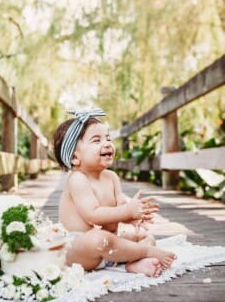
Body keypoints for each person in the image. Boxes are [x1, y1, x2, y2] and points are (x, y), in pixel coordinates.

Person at [53, 109, 176, 277]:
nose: (107, 143)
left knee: (143, 235)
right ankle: (144, 252)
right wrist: (126, 212)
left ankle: (133, 263)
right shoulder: (77, 179)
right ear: (75, 158)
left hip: (111, 247)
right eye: (96, 140)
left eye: (108, 138)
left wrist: (133, 216)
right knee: (98, 238)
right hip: (82, 250)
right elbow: (92, 215)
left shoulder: (111, 177)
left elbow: (121, 208)